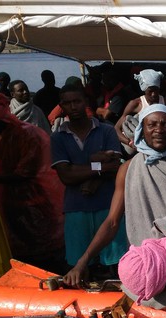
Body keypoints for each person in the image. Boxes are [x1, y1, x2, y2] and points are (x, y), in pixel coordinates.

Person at [63, 104, 166, 287]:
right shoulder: (128, 169)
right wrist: (82, 262)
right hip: (147, 264)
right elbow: (112, 222)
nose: (159, 130)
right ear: (142, 130)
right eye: (152, 124)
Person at [52, 84, 127, 283]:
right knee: (81, 269)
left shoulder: (107, 131)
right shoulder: (58, 137)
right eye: (67, 103)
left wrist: (84, 171)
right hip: (76, 208)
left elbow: (115, 166)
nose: (73, 107)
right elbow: (66, 175)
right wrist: (97, 167)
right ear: (62, 106)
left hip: (109, 207)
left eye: (77, 101)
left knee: (117, 266)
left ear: (85, 102)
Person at [0, 93, 65, 272]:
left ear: (0, 121)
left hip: (37, 200)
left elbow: (25, 172)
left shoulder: (28, 135)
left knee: (44, 248)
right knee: (21, 248)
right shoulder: (0, 137)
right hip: (12, 202)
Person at [114, 69, 166, 155]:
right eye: (150, 91)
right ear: (144, 90)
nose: (153, 94)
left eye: (156, 90)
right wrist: (130, 143)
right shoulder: (135, 104)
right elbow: (116, 128)